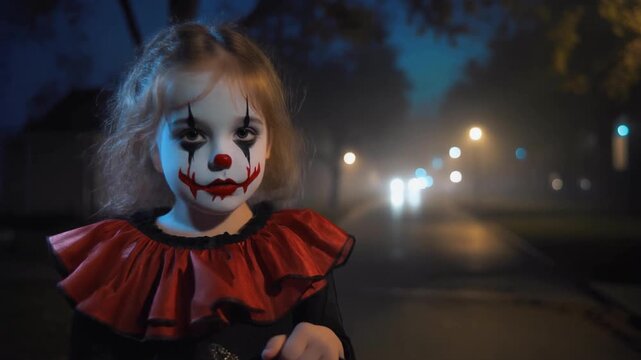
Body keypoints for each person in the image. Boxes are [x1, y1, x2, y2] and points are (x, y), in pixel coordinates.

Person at [47, 22, 355, 360]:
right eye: (192, 136)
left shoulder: (295, 252)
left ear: (269, 143)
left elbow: (331, 341)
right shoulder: (117, 267)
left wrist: (330, 346)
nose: (221, 158)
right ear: (153, 149)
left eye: (244, 134)